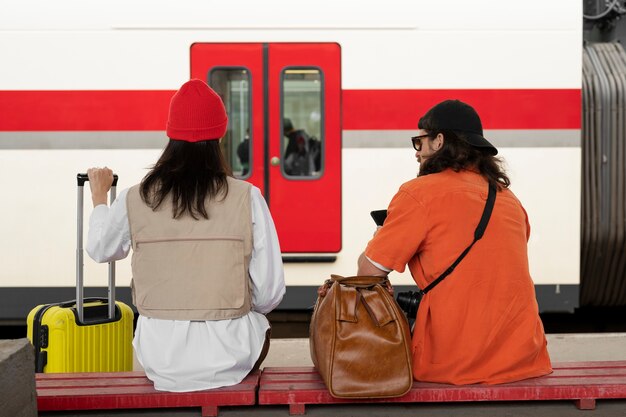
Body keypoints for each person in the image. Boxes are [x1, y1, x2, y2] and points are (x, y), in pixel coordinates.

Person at [85, 79, 285, 392]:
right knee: (260, 324)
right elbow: (269, 293)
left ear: (171, 134)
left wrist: (99, 200)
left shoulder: (132, 198)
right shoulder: (248, 197)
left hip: (160, 358)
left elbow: (99, 249)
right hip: (233, 358)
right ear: (220, 134)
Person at [356, 99, 552, 385]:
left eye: (419, 142)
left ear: (438, 141)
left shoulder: (419, 194)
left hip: (454, 361)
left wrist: (379, 238)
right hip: (525, 358)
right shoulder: (510, 200)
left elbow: (368, 273)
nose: (416, 153)